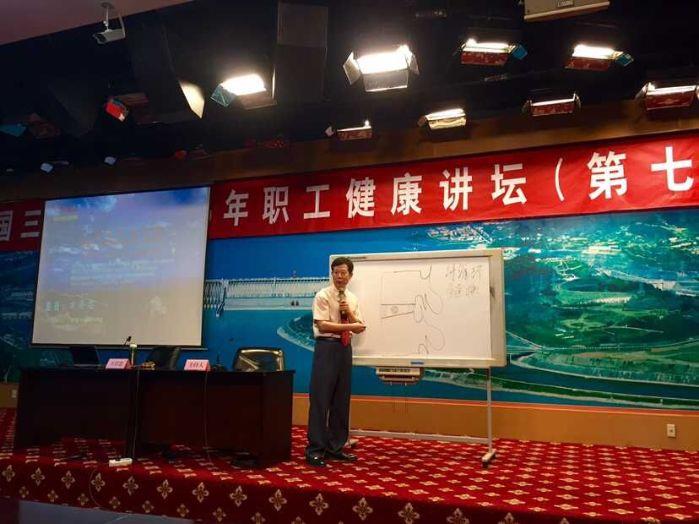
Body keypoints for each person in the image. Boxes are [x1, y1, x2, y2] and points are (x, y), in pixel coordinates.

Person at [306, 256, 366, 467]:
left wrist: (348, 314)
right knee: (320, 399)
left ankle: (335, 447)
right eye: (336, 272)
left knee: (341, 400)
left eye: (343, 273)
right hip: (326, 347)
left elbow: (361, 325)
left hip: (344, 348)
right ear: (332, 274)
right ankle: (315, 449)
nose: (340, 276)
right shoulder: (323, 295)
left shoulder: (352, 299)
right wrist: (349, 326)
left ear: (350, 275)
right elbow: (322, 325)